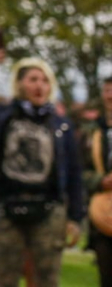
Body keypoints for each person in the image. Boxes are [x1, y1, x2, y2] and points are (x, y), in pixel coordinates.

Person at [0, 58, 82, 287]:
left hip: (49, 210)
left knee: (46, 279)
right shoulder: (1, 117)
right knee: (3, 277)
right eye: (33, 79)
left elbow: (74, 173)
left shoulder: (61, 125)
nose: (40, 86)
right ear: (19, 84)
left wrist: (76, 216)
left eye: (45, 80)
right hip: (7, 207)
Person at [87, 77, 112, 287]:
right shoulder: (92, 131)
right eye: (107, 90)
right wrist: (100, 181)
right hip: (102, 215)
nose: (111, 95)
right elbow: (76, 171)